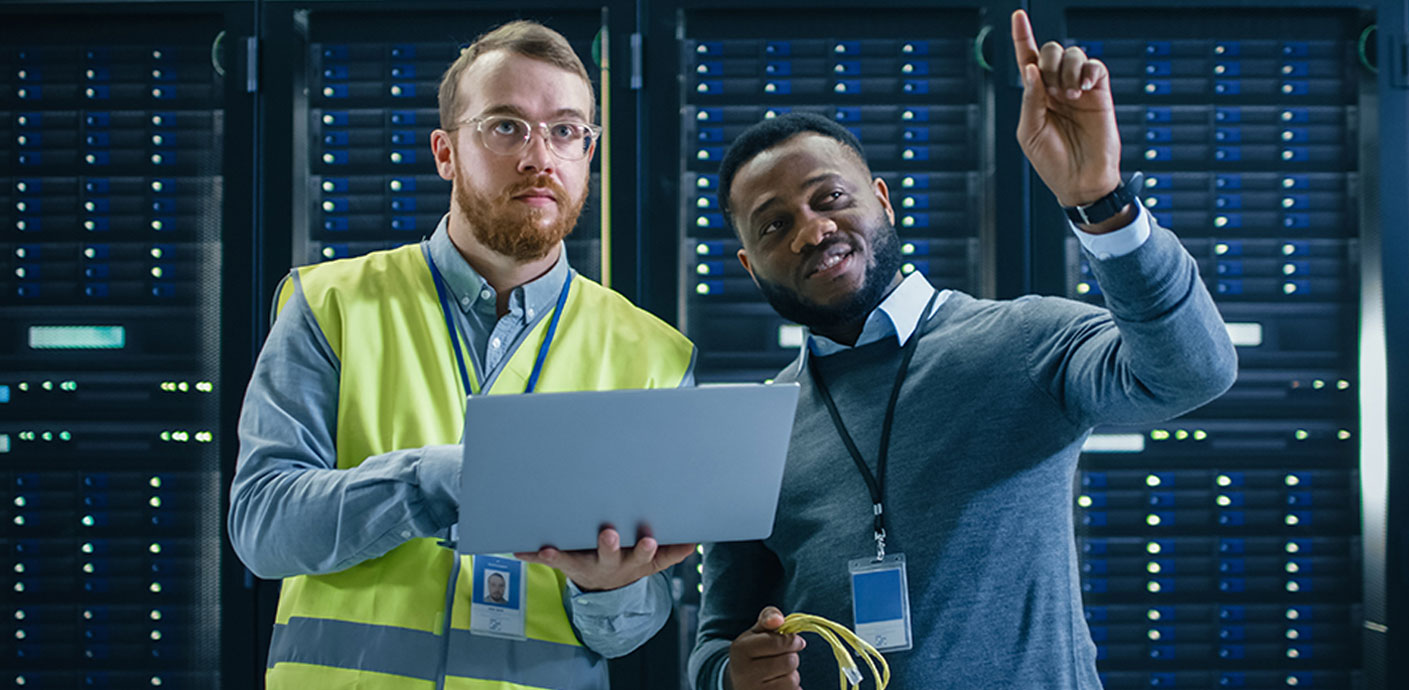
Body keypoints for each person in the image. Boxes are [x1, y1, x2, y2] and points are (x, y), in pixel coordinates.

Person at [689, 10, 1238, 690]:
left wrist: (1101, 201)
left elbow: (1193, 373)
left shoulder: (1026, 339)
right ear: (749, 264)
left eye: (830, 197)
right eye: (776, 224)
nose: (813, 231)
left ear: (884, 202)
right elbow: (717, 640)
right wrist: (728, 677)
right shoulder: (753, 429)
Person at [231, 20, 697, 690]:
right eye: (507, 126)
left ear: (589, 153)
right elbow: (263, 526)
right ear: (446, 152)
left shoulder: (655, 355)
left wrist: (606, 589)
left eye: (567, 131)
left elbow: (626, 634)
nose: (540, 157)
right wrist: (437, 481)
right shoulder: (332, 304)